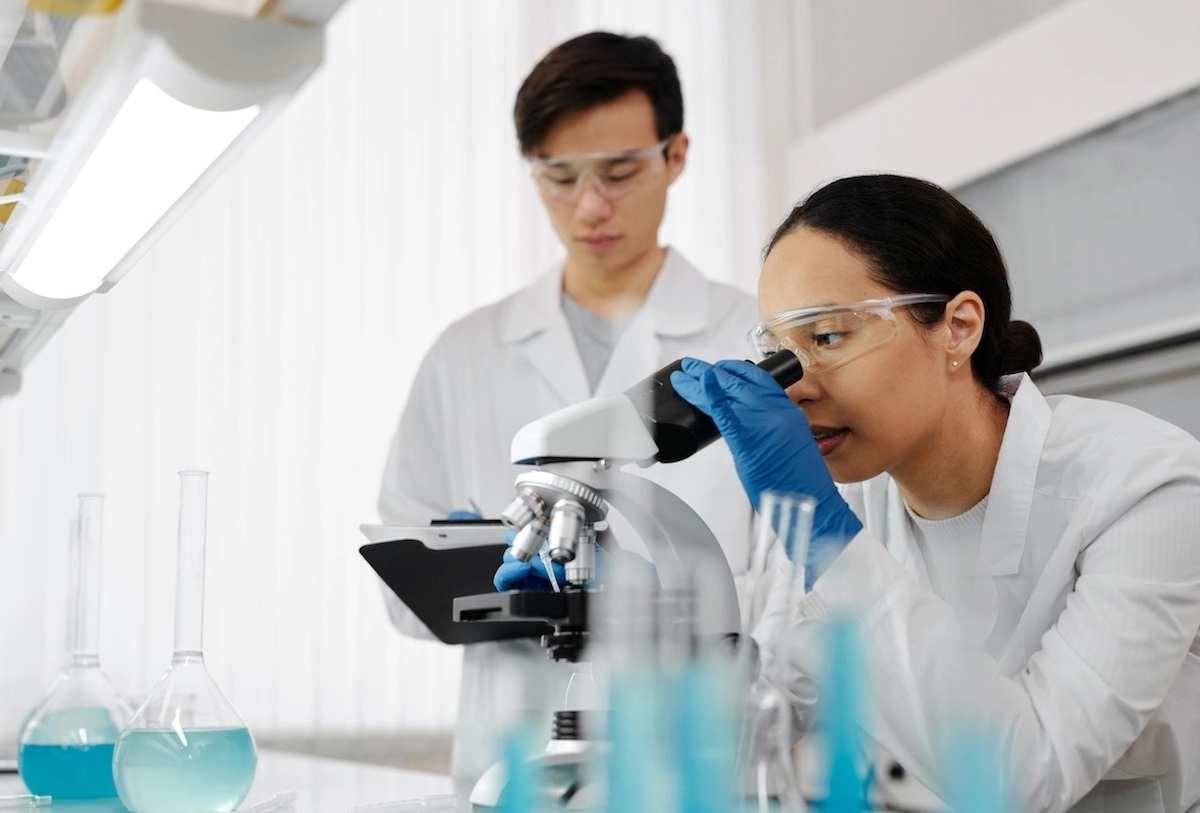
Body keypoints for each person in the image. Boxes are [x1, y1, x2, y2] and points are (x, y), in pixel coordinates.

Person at [671, 173, 1200, 812]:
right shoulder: (850, 497)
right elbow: (775, 726)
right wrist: (636, 614)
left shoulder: (1145, 486)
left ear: (958, 327)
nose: (795, 386)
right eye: (779, 353)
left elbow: (1023, 778)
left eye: (828, 337)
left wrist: (825, 539)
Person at [377, 31, 758, 798]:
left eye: (620, 171)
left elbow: (814, 579)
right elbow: (399, 584)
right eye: (559, 176)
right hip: (509, 762)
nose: (590, 205)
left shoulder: (748, 340)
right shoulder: (466, 352)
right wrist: (472, 572)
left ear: (675, 155)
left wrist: (664, 592)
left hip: (694, 763)